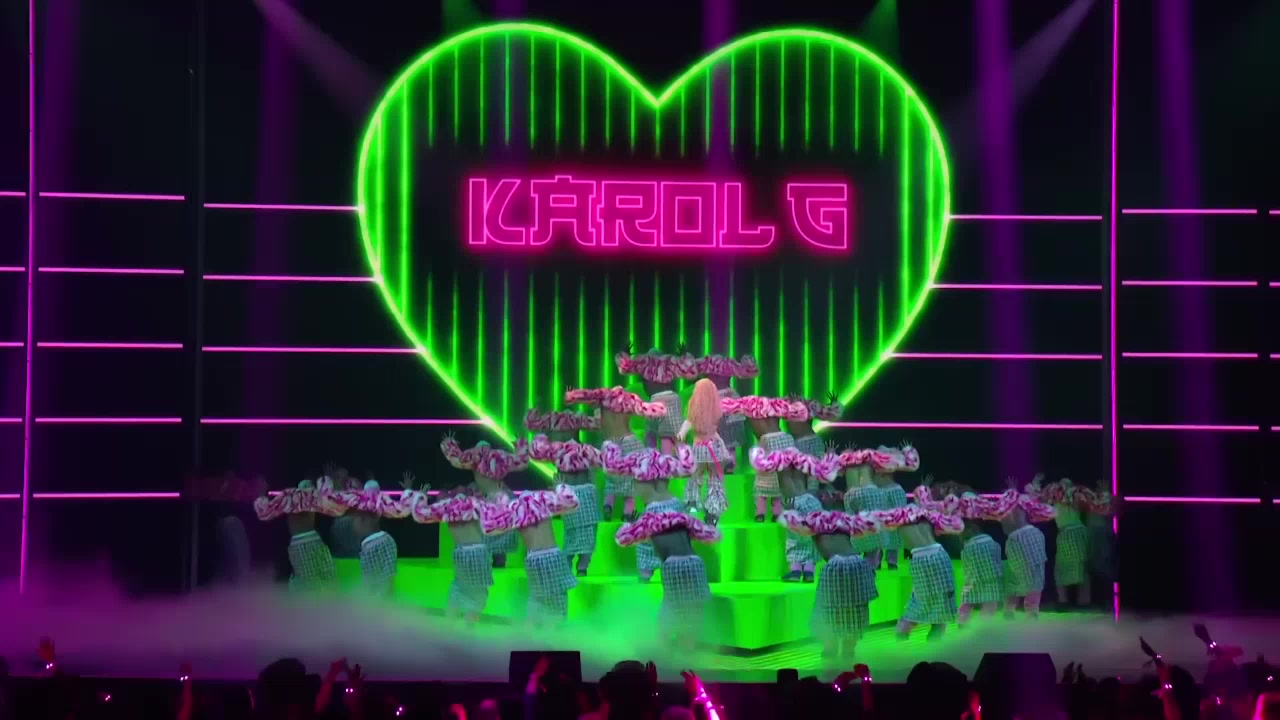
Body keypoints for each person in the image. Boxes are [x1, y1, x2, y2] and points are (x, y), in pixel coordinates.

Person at [616, 492, 721, 650]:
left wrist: (628, 524)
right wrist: (711, 525)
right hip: (693, 564)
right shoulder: (683, 519)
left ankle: (670, 649)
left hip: (674, 566)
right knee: (691, 613)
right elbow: (710, 535)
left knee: (673, 613)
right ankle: (683, 649)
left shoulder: (648, 521)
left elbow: (624, 539)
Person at [777, 507, 882, 662]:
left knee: (827, 608)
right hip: (857, 563)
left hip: (836, 565)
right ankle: (847, 649)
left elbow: (792, 523)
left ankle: (831, 647)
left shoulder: (814, 522)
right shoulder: (842, 522)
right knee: (856, 610)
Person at [480, 483, 581, 626]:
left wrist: (495, 502)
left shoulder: (514, 509)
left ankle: (532, 633)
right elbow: (572, 502)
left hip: (532, 560)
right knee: (557, 603)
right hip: (551, 556)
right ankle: (554, 634)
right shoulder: (542, 500)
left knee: (537, 600)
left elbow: (489, 527)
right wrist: (560, 486)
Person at [566, 386, 668, 522]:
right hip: (628, 440)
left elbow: (590, 404)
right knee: (629, 490)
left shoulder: (604, 405)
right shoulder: (627, 402)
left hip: (612, 442)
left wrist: (573, 396)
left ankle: (608, 506)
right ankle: (627, 515)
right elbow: (644, 409)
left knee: (611, 483)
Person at [601, 439, 698, 584]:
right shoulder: (677, 507)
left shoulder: (650, 514)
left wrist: (629, 526)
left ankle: (645, 576)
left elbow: (625, 537)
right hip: (674, 508)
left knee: (644, 545)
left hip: (655, 514)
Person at [526, 408, 605, 576]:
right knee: (574, 533)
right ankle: (571, 566)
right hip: (570, 492)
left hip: (583, 492)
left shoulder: (583, 449)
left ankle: (581, 567)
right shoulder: (560, 449)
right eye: (560, 428)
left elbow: (604, 460)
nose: (563, 430)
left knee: (586, 533)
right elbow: (536, 451)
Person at [913, 482, 1003, 625]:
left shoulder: (959, 504)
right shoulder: (962, 504)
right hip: (979, 545)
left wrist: (924, 491)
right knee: (985, 591)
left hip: (974, 546)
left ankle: (967, 625)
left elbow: (926, 509)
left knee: (973, 591)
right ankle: (979, 626)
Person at [1026, 475, 1112, 608]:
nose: (1064, 487)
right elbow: (1037, 499)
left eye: (1067, 484)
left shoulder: (1076, 496)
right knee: (1061, 569)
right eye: (1061, 484)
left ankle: (1084, 601)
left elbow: (1097, 504)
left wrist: (1103, 493)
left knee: (1081, 569)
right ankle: (1063, 601)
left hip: (1076, 532)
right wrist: (1036, 483)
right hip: (1064, 534)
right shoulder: (1054, 497)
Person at [757, 441, 837, 582]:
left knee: (794, 539)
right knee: (810, 538)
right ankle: (809, 572)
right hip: (812, 502)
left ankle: (795, 571)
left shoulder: (785, 475)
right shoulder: (803, 470)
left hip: (795, 503)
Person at [722, 394, 810, 523]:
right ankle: (775, 513)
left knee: (765, 486)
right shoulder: (775, 410)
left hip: (770, 444)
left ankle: (762, 513)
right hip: (782, 443)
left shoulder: (756, 411)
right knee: (777, 484)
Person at [885, 503, 964, 640]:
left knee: (917, 605)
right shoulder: (926, 516)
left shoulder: (897, 519)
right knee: (941, 612)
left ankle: (900, 643)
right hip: (938, 555)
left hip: (920, 558)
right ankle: (931, 647)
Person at [253, 478, 347, 591]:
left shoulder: (292, 498)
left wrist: (262, 494)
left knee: (316, 581)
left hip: (304, 541)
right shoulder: (308, 498)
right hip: (307, 541)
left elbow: (264, 512)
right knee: (321, 580)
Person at [984, 480, 1056, 619]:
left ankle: (1027, 612)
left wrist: (1016, 492)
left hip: (1026, 536)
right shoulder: (1004, 506)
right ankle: (1014, 611)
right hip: (1019, 538)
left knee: (1030, 577)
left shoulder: (1017, 503)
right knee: (1018, 577)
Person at [332, 477, 412, 596]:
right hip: (385, 540)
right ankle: (384, 602)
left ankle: (378, 603)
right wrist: (408, 491)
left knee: (373, 583)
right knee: (386, 580)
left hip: (372, 543)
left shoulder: (360, 504)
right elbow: (401, 510)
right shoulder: (380, 503)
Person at [615, 346, 697, 454]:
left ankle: (661, 459)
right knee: (660, 435)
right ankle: (666, 459)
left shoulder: (646, 362)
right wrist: (684, 356)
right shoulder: (668, 362)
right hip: (663, 400)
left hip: (662, 400)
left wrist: (624, 355)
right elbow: (689, 370)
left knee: (659, 436)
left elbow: (625, 366)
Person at [678, 378, 729, 525]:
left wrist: (681, 434)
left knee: (696, 475)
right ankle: (713, 507)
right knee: (714, 477)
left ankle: (693, 502)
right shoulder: (714, 413)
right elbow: (714, 433)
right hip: (714, 448)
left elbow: (687, 425)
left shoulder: (694, 414)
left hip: (700, 448)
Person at [699, 354, 758, 473]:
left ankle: (726, 463)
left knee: (727, 439)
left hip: (725, 404)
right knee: (725, 439)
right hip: (725, 403)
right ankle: (725, 463)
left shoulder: (726, 394)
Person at [868, 444, 919, 571]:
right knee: (877, 524)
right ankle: (875, 559)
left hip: (893, 490)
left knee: (896, 524)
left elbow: (910, 466)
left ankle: (892, 560)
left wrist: (907, 450)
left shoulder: (894, 459)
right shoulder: (871, 460)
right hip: (877, 491)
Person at [789, 393, 843, 494]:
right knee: (798, 478)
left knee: (813, 479)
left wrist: (834, 403)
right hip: (797, 444)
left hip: (811, 442)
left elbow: (831, 414)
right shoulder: (785, 405)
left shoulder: (808, 404)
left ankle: (814, 500)